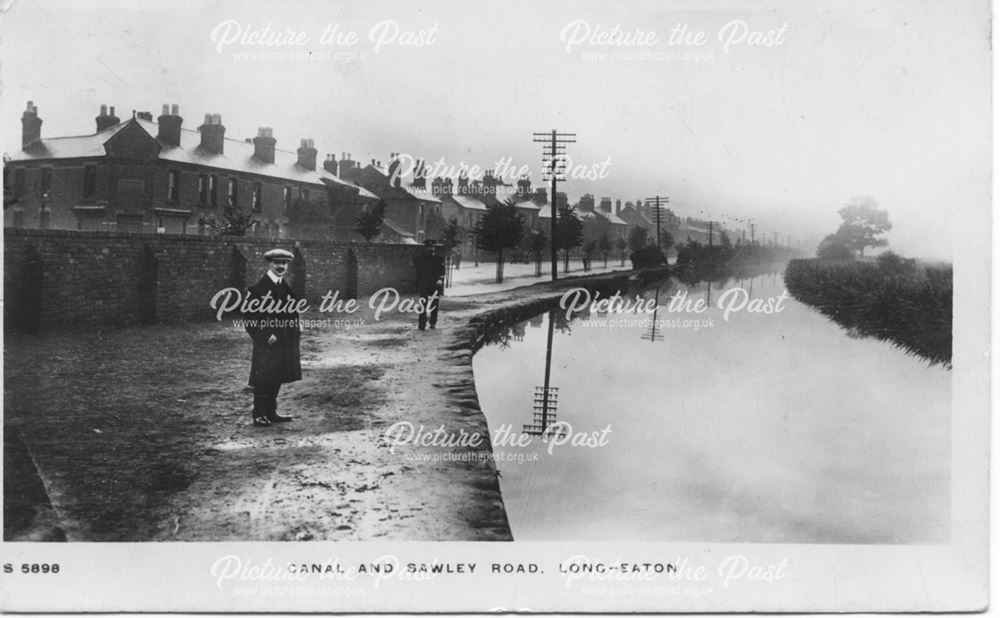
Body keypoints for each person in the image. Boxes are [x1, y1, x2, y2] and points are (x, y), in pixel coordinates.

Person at [244, 248, 301, 427]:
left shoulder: (284, 286)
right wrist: (265, 335)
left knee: (277, 376)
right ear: (270, 263)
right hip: (267, 343)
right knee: (264, 378)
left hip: (284, 340)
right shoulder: (258, 289)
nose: (280, 266)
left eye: (284, 263)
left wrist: (296, 327)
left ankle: (271, 412)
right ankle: (259, 414)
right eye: (277, 263)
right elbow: (249, 318)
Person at [412, 240, 445, 330]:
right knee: (423, 304)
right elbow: (417, 269)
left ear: (434, 248)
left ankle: (433, 323)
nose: (430, 249)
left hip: (435, 284)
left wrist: (440, 279)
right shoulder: (420, 258)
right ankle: (422, 323)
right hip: (424, 283)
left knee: (434, 304)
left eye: (432, 247)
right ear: (425, 248)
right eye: (428, 248)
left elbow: (442, 271)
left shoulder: (439, 258)